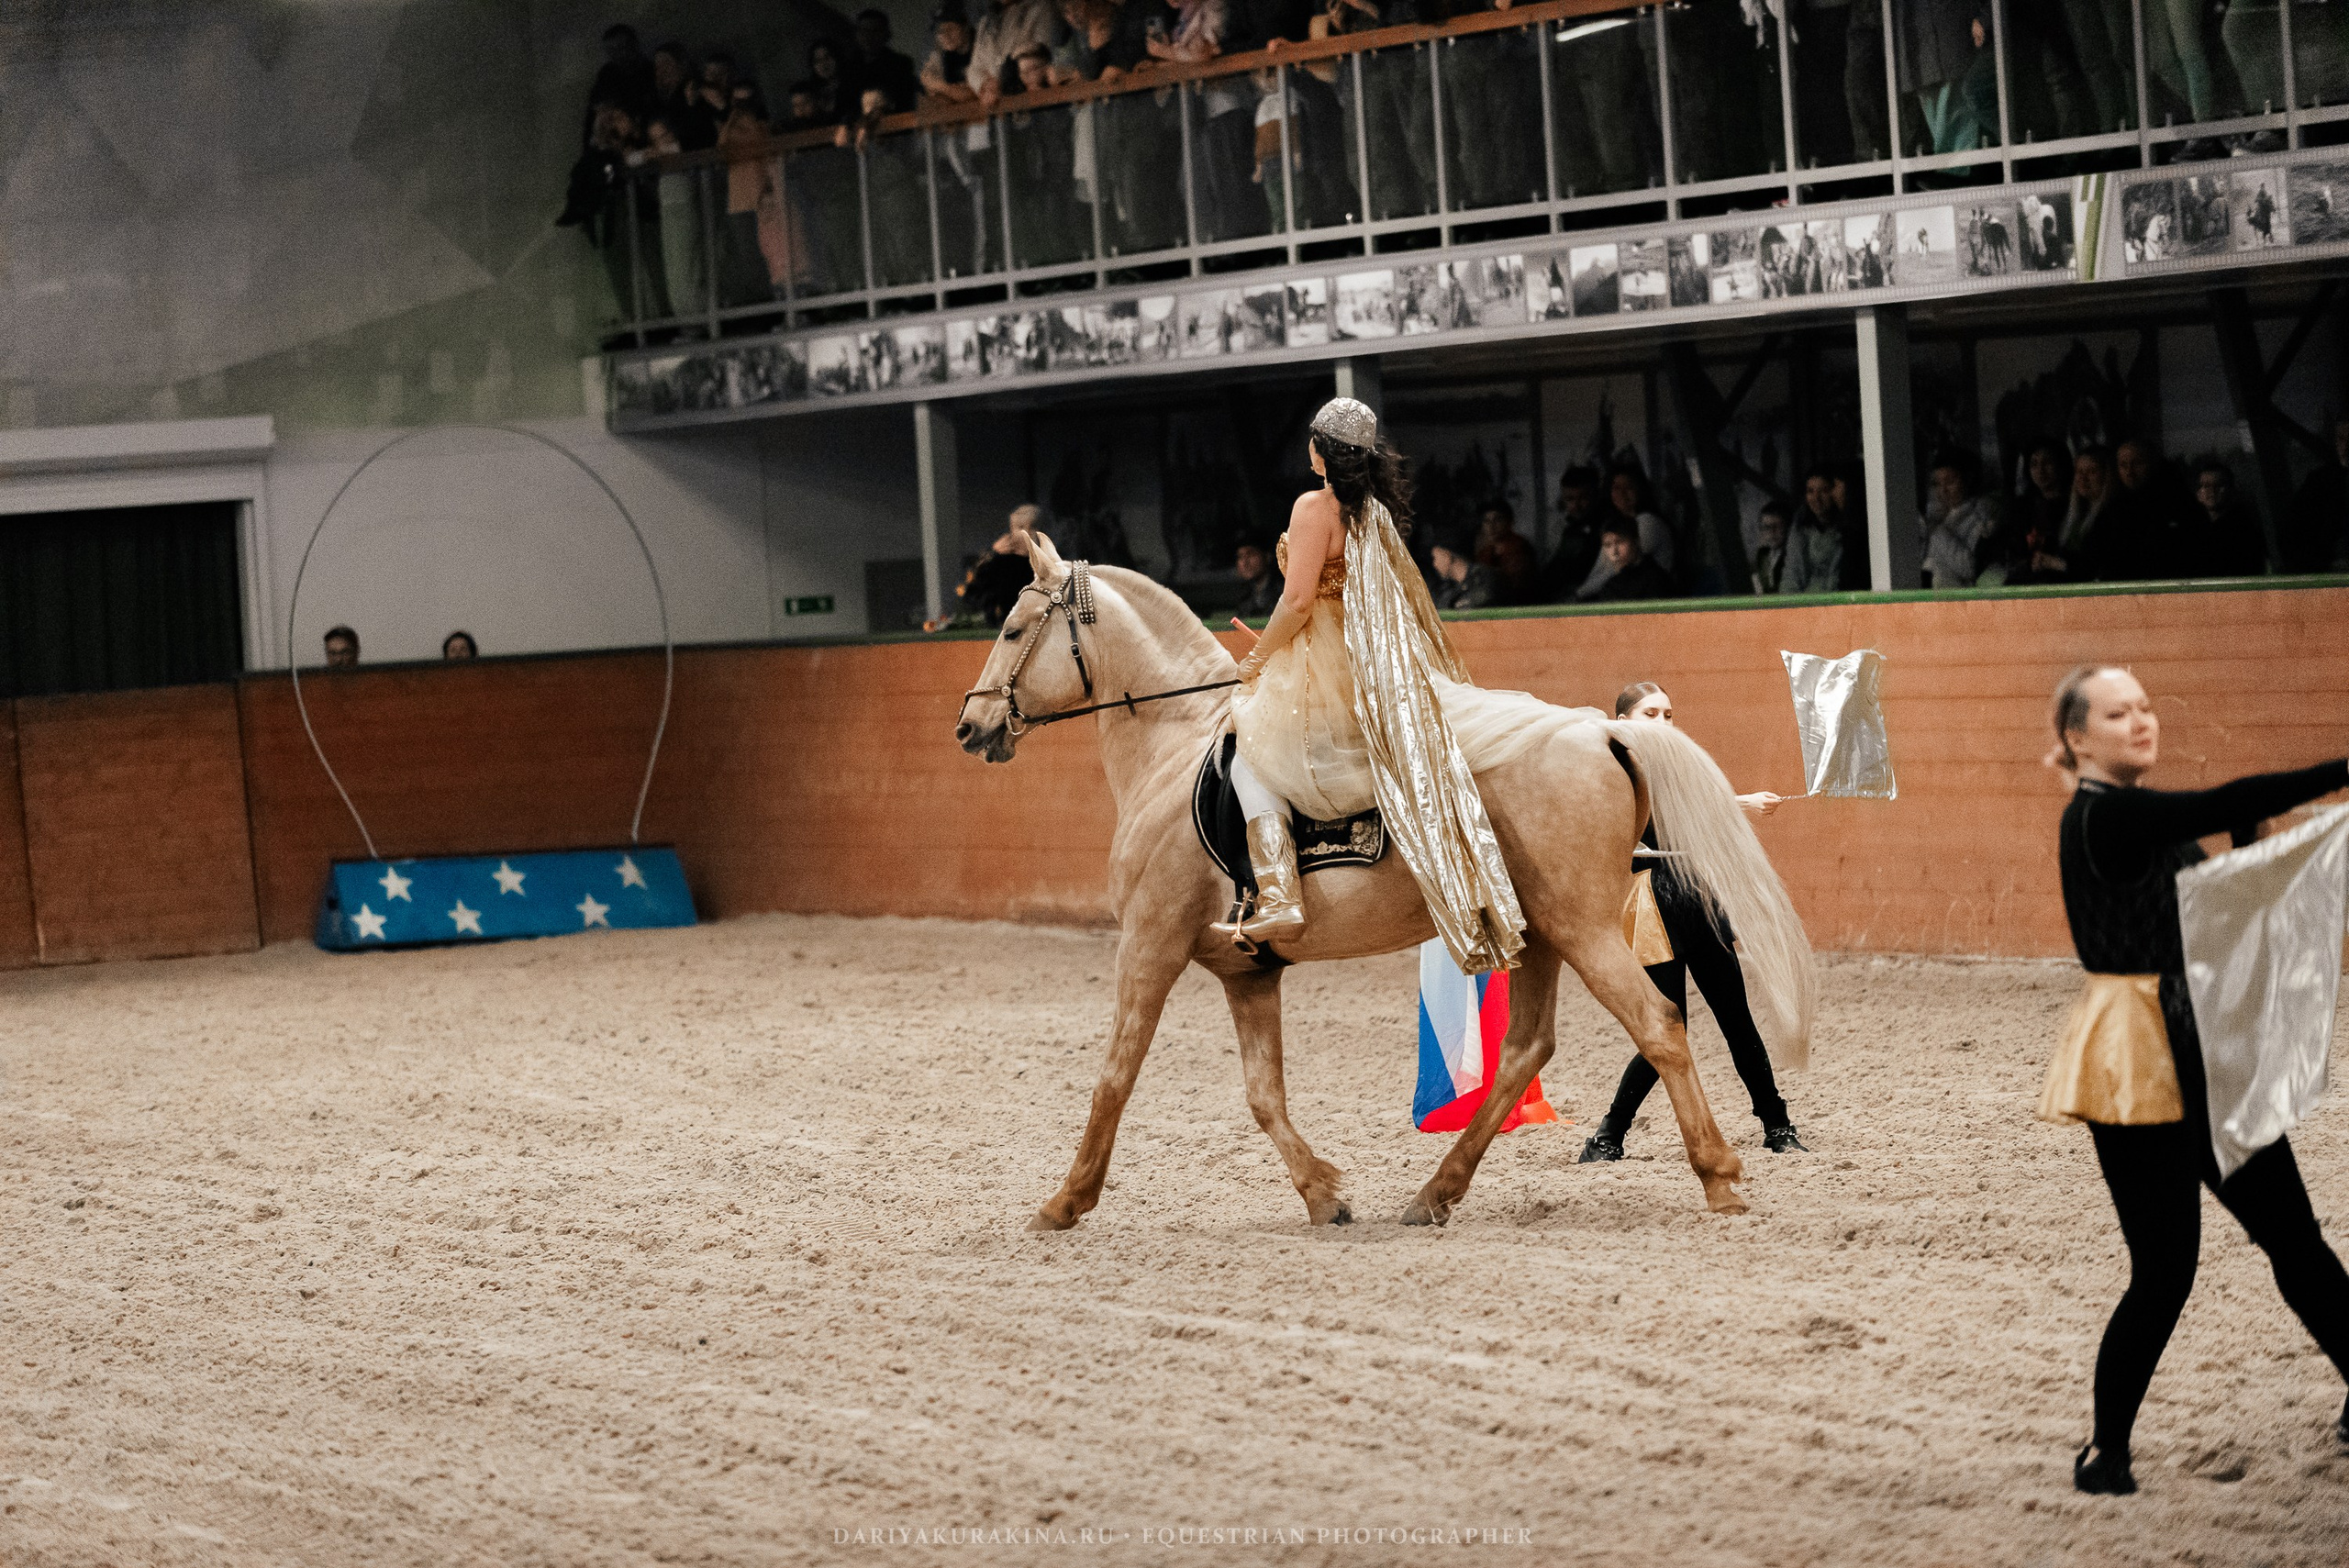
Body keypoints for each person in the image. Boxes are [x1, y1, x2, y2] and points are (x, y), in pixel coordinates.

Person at [2041, 664, 2349, 1496]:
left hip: (2177, 1054)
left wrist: (2250, 836)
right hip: (2152, 1061)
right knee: (2207, 1257)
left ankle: (2110, 1451)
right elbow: (2221, 800)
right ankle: (2107, 1447)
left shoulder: (2134, 819)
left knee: (2251, 1249)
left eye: (2144, 706)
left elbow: (2223, 903)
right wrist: (2341, 772)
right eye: (2117, 711)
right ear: (2077, 737)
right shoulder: (2112, 817)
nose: (2141, 720)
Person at [1217, 397, 1524, 973]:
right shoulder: (1374, 513)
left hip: (1321, 672)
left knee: (1247, 753)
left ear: (1322, 452)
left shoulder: (1313, 506)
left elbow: (1299, 599)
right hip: (1367, 669)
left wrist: (1256, 658)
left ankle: (1280, 895)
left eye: (1311, 441)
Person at [1578, 682, 1807, 1163]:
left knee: (1736, 1018)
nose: (1663, 723)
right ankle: (1609, 1133)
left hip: (1698, 899)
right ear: (1622, 722)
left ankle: (1777, 1124)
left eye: (1668, 714)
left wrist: (1736, 805)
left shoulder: (1682, 768)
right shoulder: (1611, 770)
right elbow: (1649, 821)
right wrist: (1739, 804)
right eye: (1650, 713)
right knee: (1665, 1024)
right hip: (1650, 908)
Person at [1575, 465, 1675, 597]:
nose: (1621, 493)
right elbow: (1600, 569)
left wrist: (1580, 594)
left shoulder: (1648, 522)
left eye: (1629, 487)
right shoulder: (1613, 526)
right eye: (1616, 488)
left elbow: (1618, 568)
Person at [1920, 449, 2003, 589]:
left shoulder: (1983, 514)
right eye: (1937, 484)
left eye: (1950, 482)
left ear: (1968, 479)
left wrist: (1937, 531)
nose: (1943, 490)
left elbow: (1971, 568)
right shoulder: (1934, 516)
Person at [2176, 461, 2266, 579]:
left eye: (2219, 485)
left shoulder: (2243, 530)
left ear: (2230, 489)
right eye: (2206, 486)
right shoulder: (2191, 530)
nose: (2212, 491)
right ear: (2198, 493)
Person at [2284, 418, 2349, 574]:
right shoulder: (2319, 481)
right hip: (2330, 566)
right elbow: (2297, 526)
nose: (2346, 445)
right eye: (2341, 438)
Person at [1539, 466, 1606, 602]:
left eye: (1583, 498)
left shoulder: (1606, 528)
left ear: (1596, 495)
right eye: (1570, 499)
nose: (1576, 505)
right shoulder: (1569, 529)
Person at [1782, 466, 1847, 593]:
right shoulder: (1799, 529)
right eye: (1810, 491)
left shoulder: (1846, 532)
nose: (1816, 498)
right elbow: (1791, 573)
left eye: (1823, 490)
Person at [1580, 519, 1675, 603]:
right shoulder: (1611, 586)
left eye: (1620, 542)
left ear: (1636, 542)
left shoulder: (1656, 580)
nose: (1614, 552)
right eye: (1608, 545)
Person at [852, 8, 924, 112]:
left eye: (875, 31)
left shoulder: (900, 64)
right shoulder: (849, 66)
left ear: (886, 34)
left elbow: (904, 99)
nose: (869, 37)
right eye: (864, 31)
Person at [1474, 500, 1537, 606]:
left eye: (1497, 520)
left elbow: (1515, 585)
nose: (1491, 526)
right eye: (1486, 521)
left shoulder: (1519, 548)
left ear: (1509, 523)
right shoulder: (1485, 551)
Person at [1429, 540, 1498, 610]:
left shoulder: (1484, 578)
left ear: (1447, 556)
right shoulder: (1449, 589)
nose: (1435, 565)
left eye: (1436, 558)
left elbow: (1477, 606)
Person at [1233, 539, 1283, 617]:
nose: (1245, 563)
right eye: (1241, 557)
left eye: (1251, 555)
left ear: (1267, 557)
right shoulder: (1241, 594)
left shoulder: (1283, 591)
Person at [1750, 500, 1792, 594]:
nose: (1771, 532)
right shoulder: (1763, 555)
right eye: (1766, 527)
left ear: (1787, 527)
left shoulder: (1792, 555)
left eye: (1777, 526)